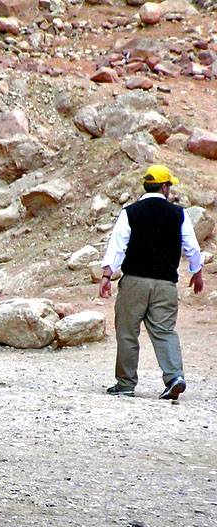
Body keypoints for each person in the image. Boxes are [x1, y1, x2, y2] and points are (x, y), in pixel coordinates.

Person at [99, 164, 203, 400]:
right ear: (165, 187)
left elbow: (117, 246)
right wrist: (196, 273)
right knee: (165, 331)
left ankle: (125, 384)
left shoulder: (130, 212)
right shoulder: (179, 214)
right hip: (165, 284)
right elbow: (192, 247)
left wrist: (107, 275)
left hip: (134, 282)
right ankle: (174, 376)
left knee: (127, 333)